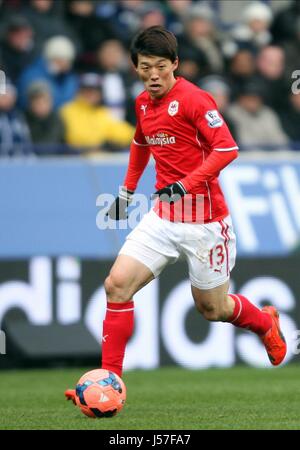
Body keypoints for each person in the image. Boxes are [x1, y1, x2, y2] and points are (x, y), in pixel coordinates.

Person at [65, 26, 286, 403]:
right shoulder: (141, 104)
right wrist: (126, 192)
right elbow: (140, 145)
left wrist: (186, 183)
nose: (153, 75)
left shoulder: (196, 100)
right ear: (135, 67)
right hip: (163, 217)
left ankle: (266, 324)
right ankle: (107, 385)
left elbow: (227, 149)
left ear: (175, 65)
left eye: (161, 67)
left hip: (205, 221)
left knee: (212, 309)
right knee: (116, 285)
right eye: (145, 67)